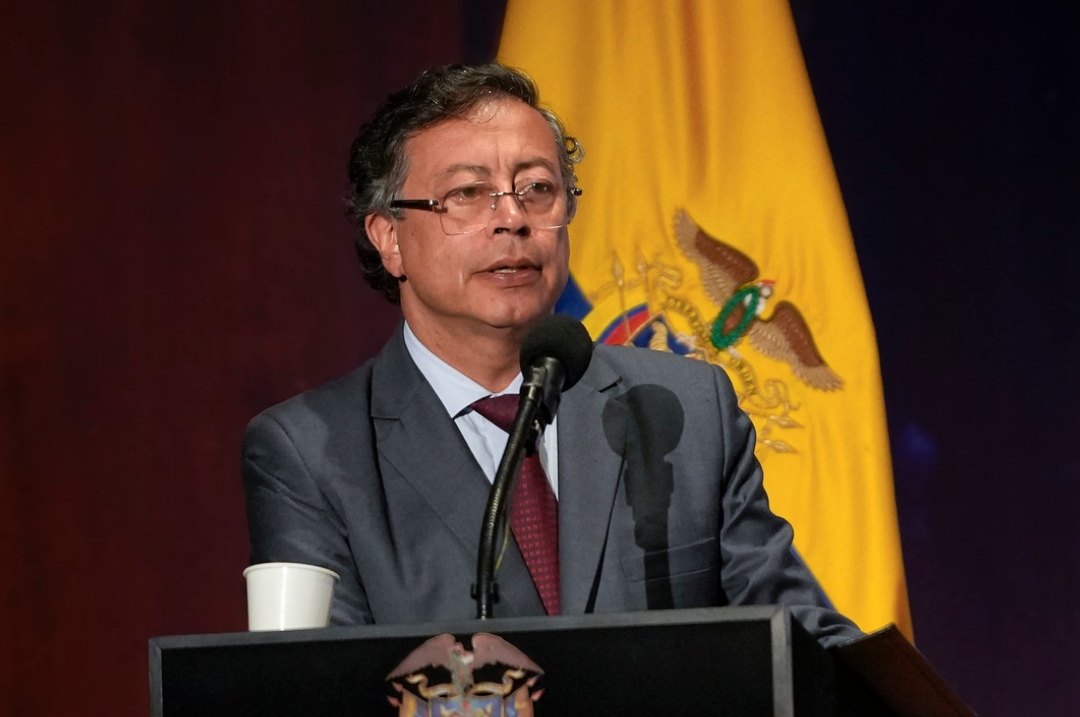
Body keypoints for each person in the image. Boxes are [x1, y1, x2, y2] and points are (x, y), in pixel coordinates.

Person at [242, 63, 861, 646]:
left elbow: (801, 642)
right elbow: (324, 680)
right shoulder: (313, 452)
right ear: (389, 239)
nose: (512, 218)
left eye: (537, 189)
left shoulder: (684, 408)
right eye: (468, 193)